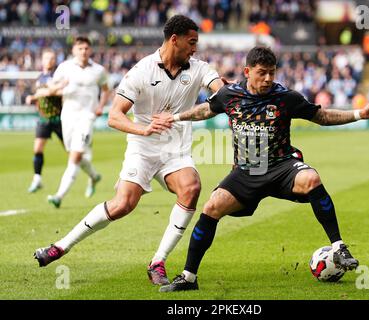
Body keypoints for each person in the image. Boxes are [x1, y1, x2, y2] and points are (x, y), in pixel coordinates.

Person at [154, 46, 369, 292]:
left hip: (282, 167)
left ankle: (339, 247)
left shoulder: (285, 97)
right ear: (247, 71)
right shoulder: (229, 95)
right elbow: (207, 109)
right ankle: (189, 277)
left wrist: (360, 114)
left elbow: (321, 116)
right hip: (246, 172)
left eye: (271, 73)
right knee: (212, 207)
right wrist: (175, 118)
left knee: (311, 178)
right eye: (261, 73)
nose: (268, 79)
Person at [33, 15, 225, 287]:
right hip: (143, 148)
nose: (195, 49)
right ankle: (60, 247)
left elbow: (221, 92)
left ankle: (157, 261)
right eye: (191, 42)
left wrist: (227, 92)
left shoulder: (199, 68)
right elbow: (114, 116)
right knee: (123, 204)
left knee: (191, 187)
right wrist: (143, 129)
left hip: (175, 150)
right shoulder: (141, 71)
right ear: (175, 40)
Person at [41, 36, 109, 208]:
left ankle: (59, 195)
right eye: (80, 48)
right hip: (68, 116)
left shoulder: (98, 70)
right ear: (74, 50)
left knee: (76, 155)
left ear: (90, 50)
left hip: (87, 117)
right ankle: (94, 176)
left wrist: (100, 106)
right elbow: (50, 88)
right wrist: (60, 86)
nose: (83, 51)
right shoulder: (65, 67)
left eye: (86, 48)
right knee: (73, 153)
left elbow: (106, 89)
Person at [25, 49, 63, 193]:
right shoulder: (39, 77)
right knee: (38, 149)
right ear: (42, 60)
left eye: (52, 58)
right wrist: (33, 97)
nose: (50, 60)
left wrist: (41, 94)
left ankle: (91, 174)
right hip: (43, 119)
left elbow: (61, 92)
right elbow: (39, 95)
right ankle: (37, 179)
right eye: (47, 58)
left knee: (72, 151)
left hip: (59, 118)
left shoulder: (58, 76)